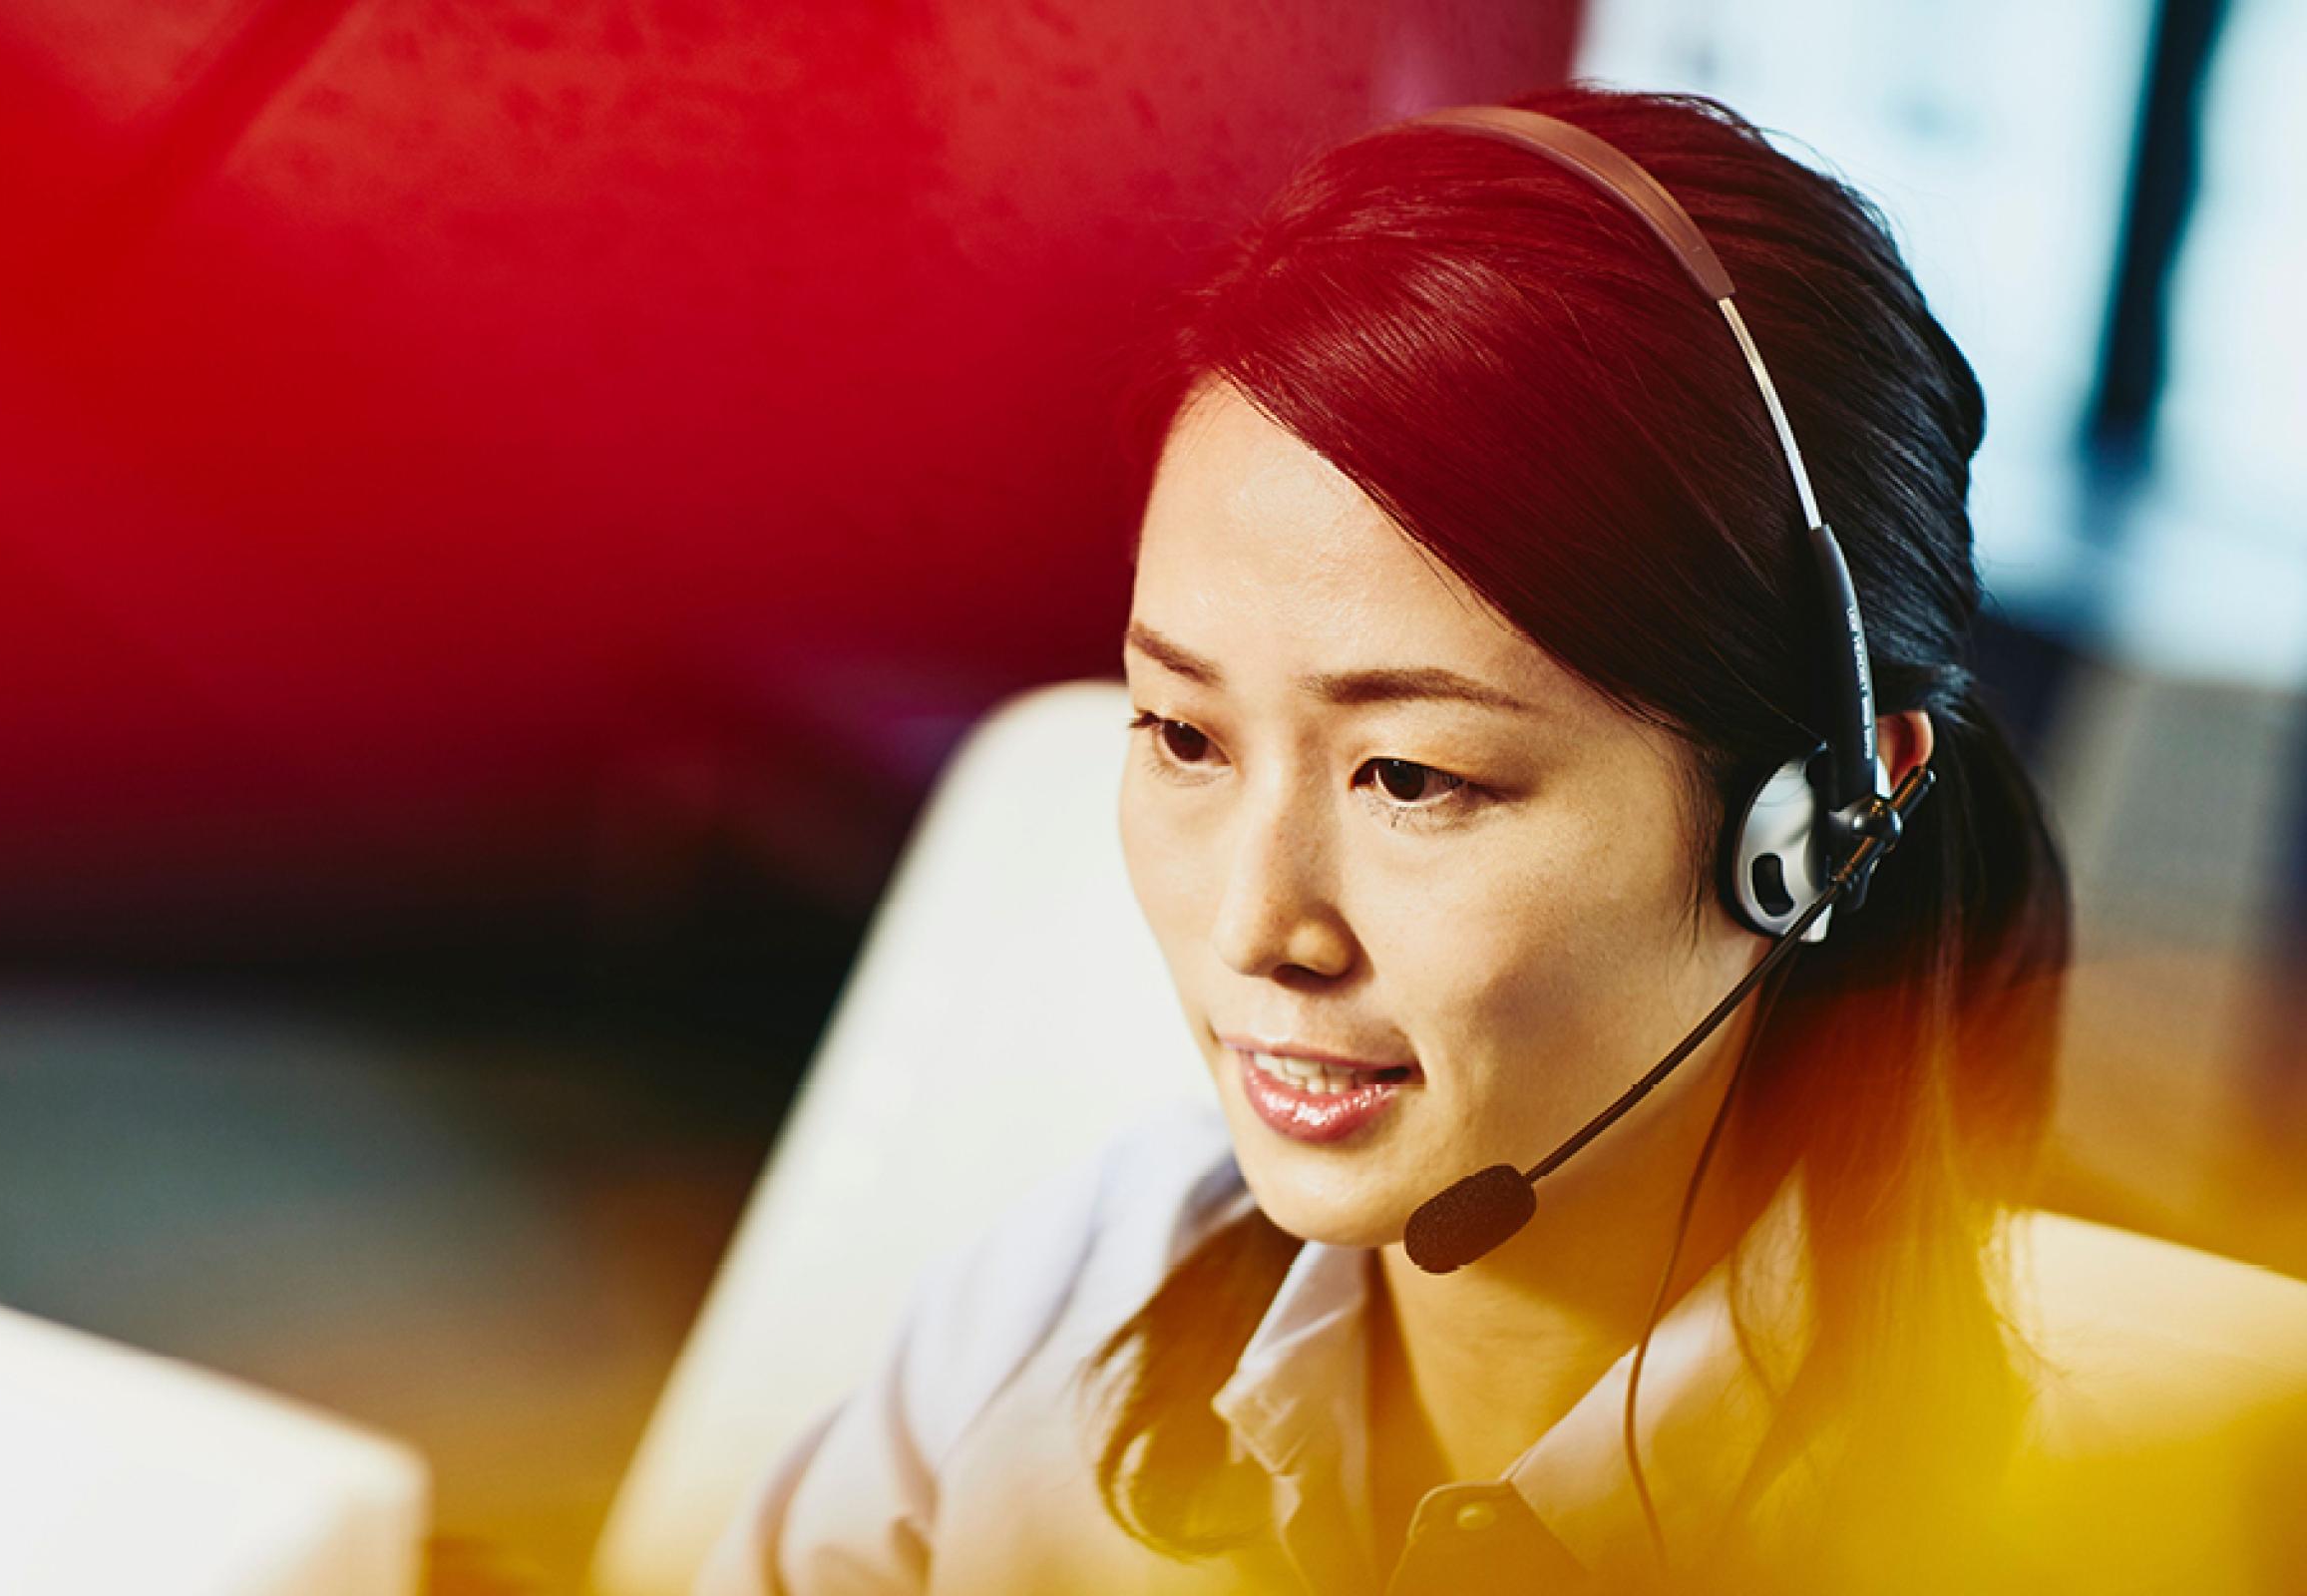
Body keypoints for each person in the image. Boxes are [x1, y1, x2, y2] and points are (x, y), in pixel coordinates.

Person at [694, 85, 2307, 1595]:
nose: (1260, 927)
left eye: (1412, 777)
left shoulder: (2102, 1526)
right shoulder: (1064, 1302)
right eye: (1185, 736)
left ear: (1822, 818)